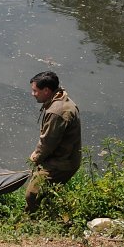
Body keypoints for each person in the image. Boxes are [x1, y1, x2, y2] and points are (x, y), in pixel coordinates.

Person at [25, 71, 81, 213]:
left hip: (62, 162)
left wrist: (36, 157)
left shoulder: (56, 112)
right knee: (46, 192)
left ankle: (31, 221)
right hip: (64, 157)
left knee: (32, 194)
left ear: (46, 90)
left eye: (35, 91)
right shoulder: (60, 98)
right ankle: (48, 212)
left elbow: (47, 142)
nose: (33, 94)